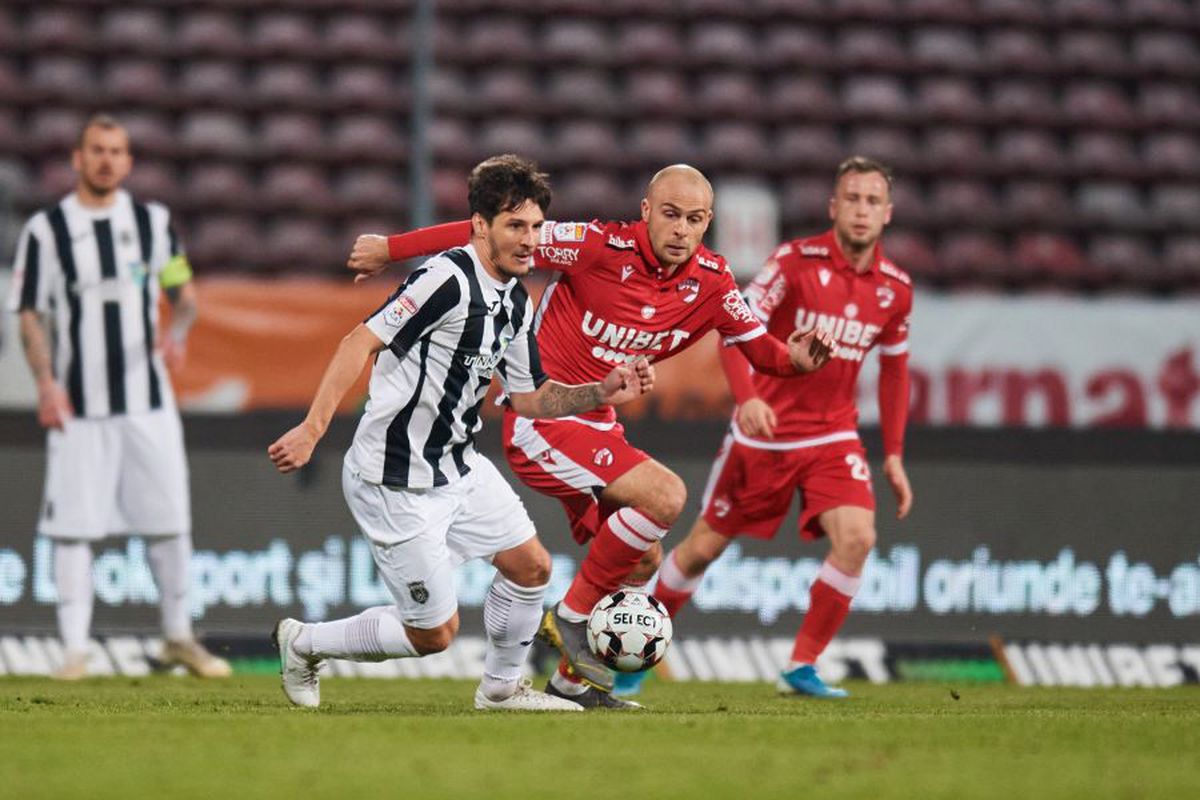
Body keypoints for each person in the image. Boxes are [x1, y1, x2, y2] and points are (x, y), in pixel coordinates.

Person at [344, 164, 835, 707]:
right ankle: (572, 616)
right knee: (665, 495)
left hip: (598, 424)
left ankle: (573, 687)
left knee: (643, 560)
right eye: (670, 215)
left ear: (707, 223)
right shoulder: (596, 245)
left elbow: (763, 351)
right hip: (543, 419)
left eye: (693, 220)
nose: (680, 230)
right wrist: (392, 248)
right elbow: (487, 231)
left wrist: (797, 359)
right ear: (646, 211)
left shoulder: (713, 282)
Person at [268, 155, 655, 712]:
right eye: (515, 226)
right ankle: (304, 643)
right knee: (434, 635)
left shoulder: (517, 300)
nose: (530, 240)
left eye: (537, 227)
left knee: (533, 568)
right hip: (394, 479)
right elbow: (358, 342)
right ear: (480, 226)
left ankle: (499, 690)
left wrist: (601, 390)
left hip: (458, 465)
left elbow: (528, 397)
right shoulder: (444, 280)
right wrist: (312, 428)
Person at [641, 156, 914, 698]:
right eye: (852, 199)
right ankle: (633, 646)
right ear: (834, 208)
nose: (861, 211)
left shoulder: (895, 289)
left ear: (888, 213)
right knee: (699, 550)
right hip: (763, 436)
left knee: (858, 538)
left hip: (833, 436)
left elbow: (895, 369)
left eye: (872, 201)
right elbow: (733, 331)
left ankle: (801, 666)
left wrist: (895, 454)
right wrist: (746, 400)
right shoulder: (793, 263)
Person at [6, 114, 229, 679]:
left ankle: (179, 637)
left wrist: (177, 333)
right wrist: (48, 385)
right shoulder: (47, 230)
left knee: (170, 521)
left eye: (117, 151)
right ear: (78, 159)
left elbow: (184, 294)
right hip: (79, 408)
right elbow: (29, 313)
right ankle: (74, 650)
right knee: (73, 528)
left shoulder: (152, 224)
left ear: (128, 162)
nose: (107, 159)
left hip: (147, 405)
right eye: (97, 150)